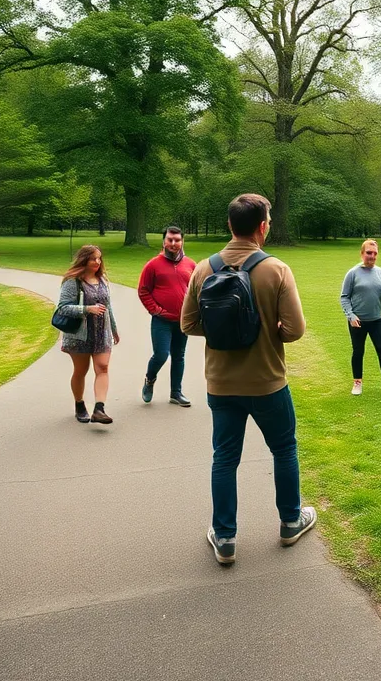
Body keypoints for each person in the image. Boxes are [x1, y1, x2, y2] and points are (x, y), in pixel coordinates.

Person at [180, 193, 315, 564]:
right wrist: (269, 330)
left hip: (221, 384)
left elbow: (187, 323)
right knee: (284, 449)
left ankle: (224, 537)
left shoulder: (203, 269)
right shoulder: (277, 269)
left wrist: (223, 328)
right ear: (262, 227)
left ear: (229, 225)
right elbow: (296, 330)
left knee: (224, 458)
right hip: (267, 381)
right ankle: (290, 522)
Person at [57, 245, 121, 424]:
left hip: (102, 333)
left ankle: (99, 409)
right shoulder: (73, 281)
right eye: (94, 258)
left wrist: (114, 329)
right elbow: (63, 307)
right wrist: (87, 309)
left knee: (103, 368)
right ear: (84, 259)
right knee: (81, 371)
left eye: (100, 258)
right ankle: (79, 404)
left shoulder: (102, 280)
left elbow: (108, 308)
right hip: (80, 336)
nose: (98, 262)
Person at [138, 226, 196, 407]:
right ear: (164, 241)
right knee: (161, 354)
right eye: (170, 240)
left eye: (177, 240)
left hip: (182, 321)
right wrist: (156, 310)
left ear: (182, 241)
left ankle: (175, 393)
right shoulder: (153, 265)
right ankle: (150, 380)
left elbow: (195, 292)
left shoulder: (190, 265)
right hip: (161, 320)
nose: (173, 243)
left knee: (179, 356)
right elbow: (143, 290)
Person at [340, 239, 381, 399]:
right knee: (358, 351)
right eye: (369, 253)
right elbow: (344, 297)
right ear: (362, 254)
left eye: (375, 253)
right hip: (357, 321)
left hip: (377, 320)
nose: (372, 256)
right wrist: (350, 315)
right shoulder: (352, 273)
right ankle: (357, 382)